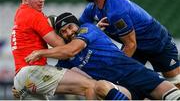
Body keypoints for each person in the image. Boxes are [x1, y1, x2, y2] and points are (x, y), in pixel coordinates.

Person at [10, 0, 131, 100]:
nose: (42, 0)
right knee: (92, 86)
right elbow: (62, 45)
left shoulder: (20, 14)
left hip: (21, 78)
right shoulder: (35, 15)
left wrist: (92, 30)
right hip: (33, 72)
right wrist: (88, 35)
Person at [25, 12, 180, 100]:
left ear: (77, 25)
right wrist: (25, 86)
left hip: (136, 74)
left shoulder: (88, 29)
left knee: (173, 96)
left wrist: (40, 52)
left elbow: (71, 50)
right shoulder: (66, 58)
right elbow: (54, 78)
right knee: (100, 86)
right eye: (63, 32)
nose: (68, 32)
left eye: (69, 27)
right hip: (121, 87)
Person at [79, 0, 180, 87]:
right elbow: (78, 30)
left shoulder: (116, 11)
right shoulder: (92, 8)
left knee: (174, 83)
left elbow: (130, 45)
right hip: (136, 48)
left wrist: (115, 70)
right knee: (128, 85)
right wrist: (94, 29)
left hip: (157, 43)